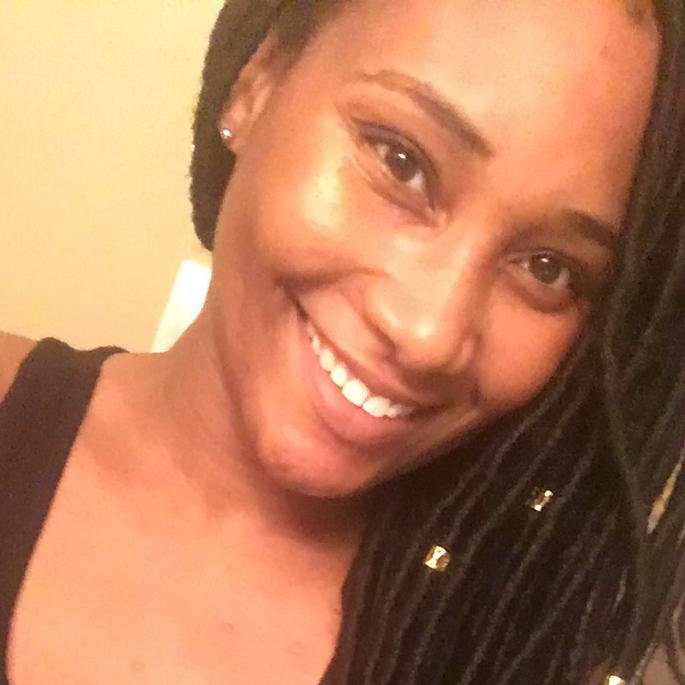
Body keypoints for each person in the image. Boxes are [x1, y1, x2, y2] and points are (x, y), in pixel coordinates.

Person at [1, 0, 683, 683]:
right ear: (257, 83)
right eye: (401, 161)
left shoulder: (516, 658)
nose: (428, 332)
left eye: (547, 267)